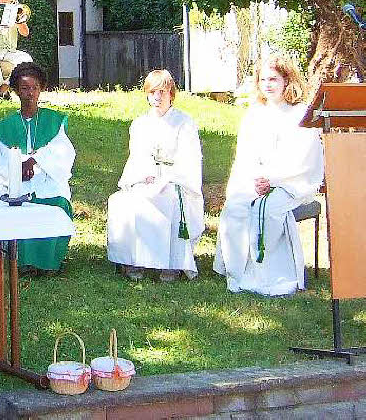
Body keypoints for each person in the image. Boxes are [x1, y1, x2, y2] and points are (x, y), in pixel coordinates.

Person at [213, 53, 324, 296]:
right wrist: (256, 179)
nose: (268, 85)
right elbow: (246, 155)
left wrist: (273, 180)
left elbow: (303, 158)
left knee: (269, 209)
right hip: (256, 180)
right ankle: (239, 270)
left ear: (287, 80)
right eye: (263, 80)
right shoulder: (254, 114)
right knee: (236, 206)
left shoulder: (301, 114)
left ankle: (268, 273)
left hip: (290, 183)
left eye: (273, 79)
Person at [106, 70, 204, 282]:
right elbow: (137, 156)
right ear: (147, 95)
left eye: (162, 92)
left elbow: (190, 159)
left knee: (166, 199)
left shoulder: (184, 123)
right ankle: (134, 260)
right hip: (146, 177)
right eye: (153, 92)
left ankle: (171, 263)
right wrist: (143, 175)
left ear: (171, 93)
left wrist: (167, 177)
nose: (158, 97)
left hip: (175, 179)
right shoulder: (140, 124)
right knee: (126, 201)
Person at [0, 62, 74, 273]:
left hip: (47, 177)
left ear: (41, 89)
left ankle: (48, 261)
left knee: (56, 200)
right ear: (16, 91)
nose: (30, 93)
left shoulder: (54, 121)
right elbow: (1, 162)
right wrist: (17, 170)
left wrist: (35, 161)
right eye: (25, 88)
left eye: (34, 88)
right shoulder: (6, 126)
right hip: (15, 179)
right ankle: (19, 260)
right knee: (7, 200)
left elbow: (63, 152)